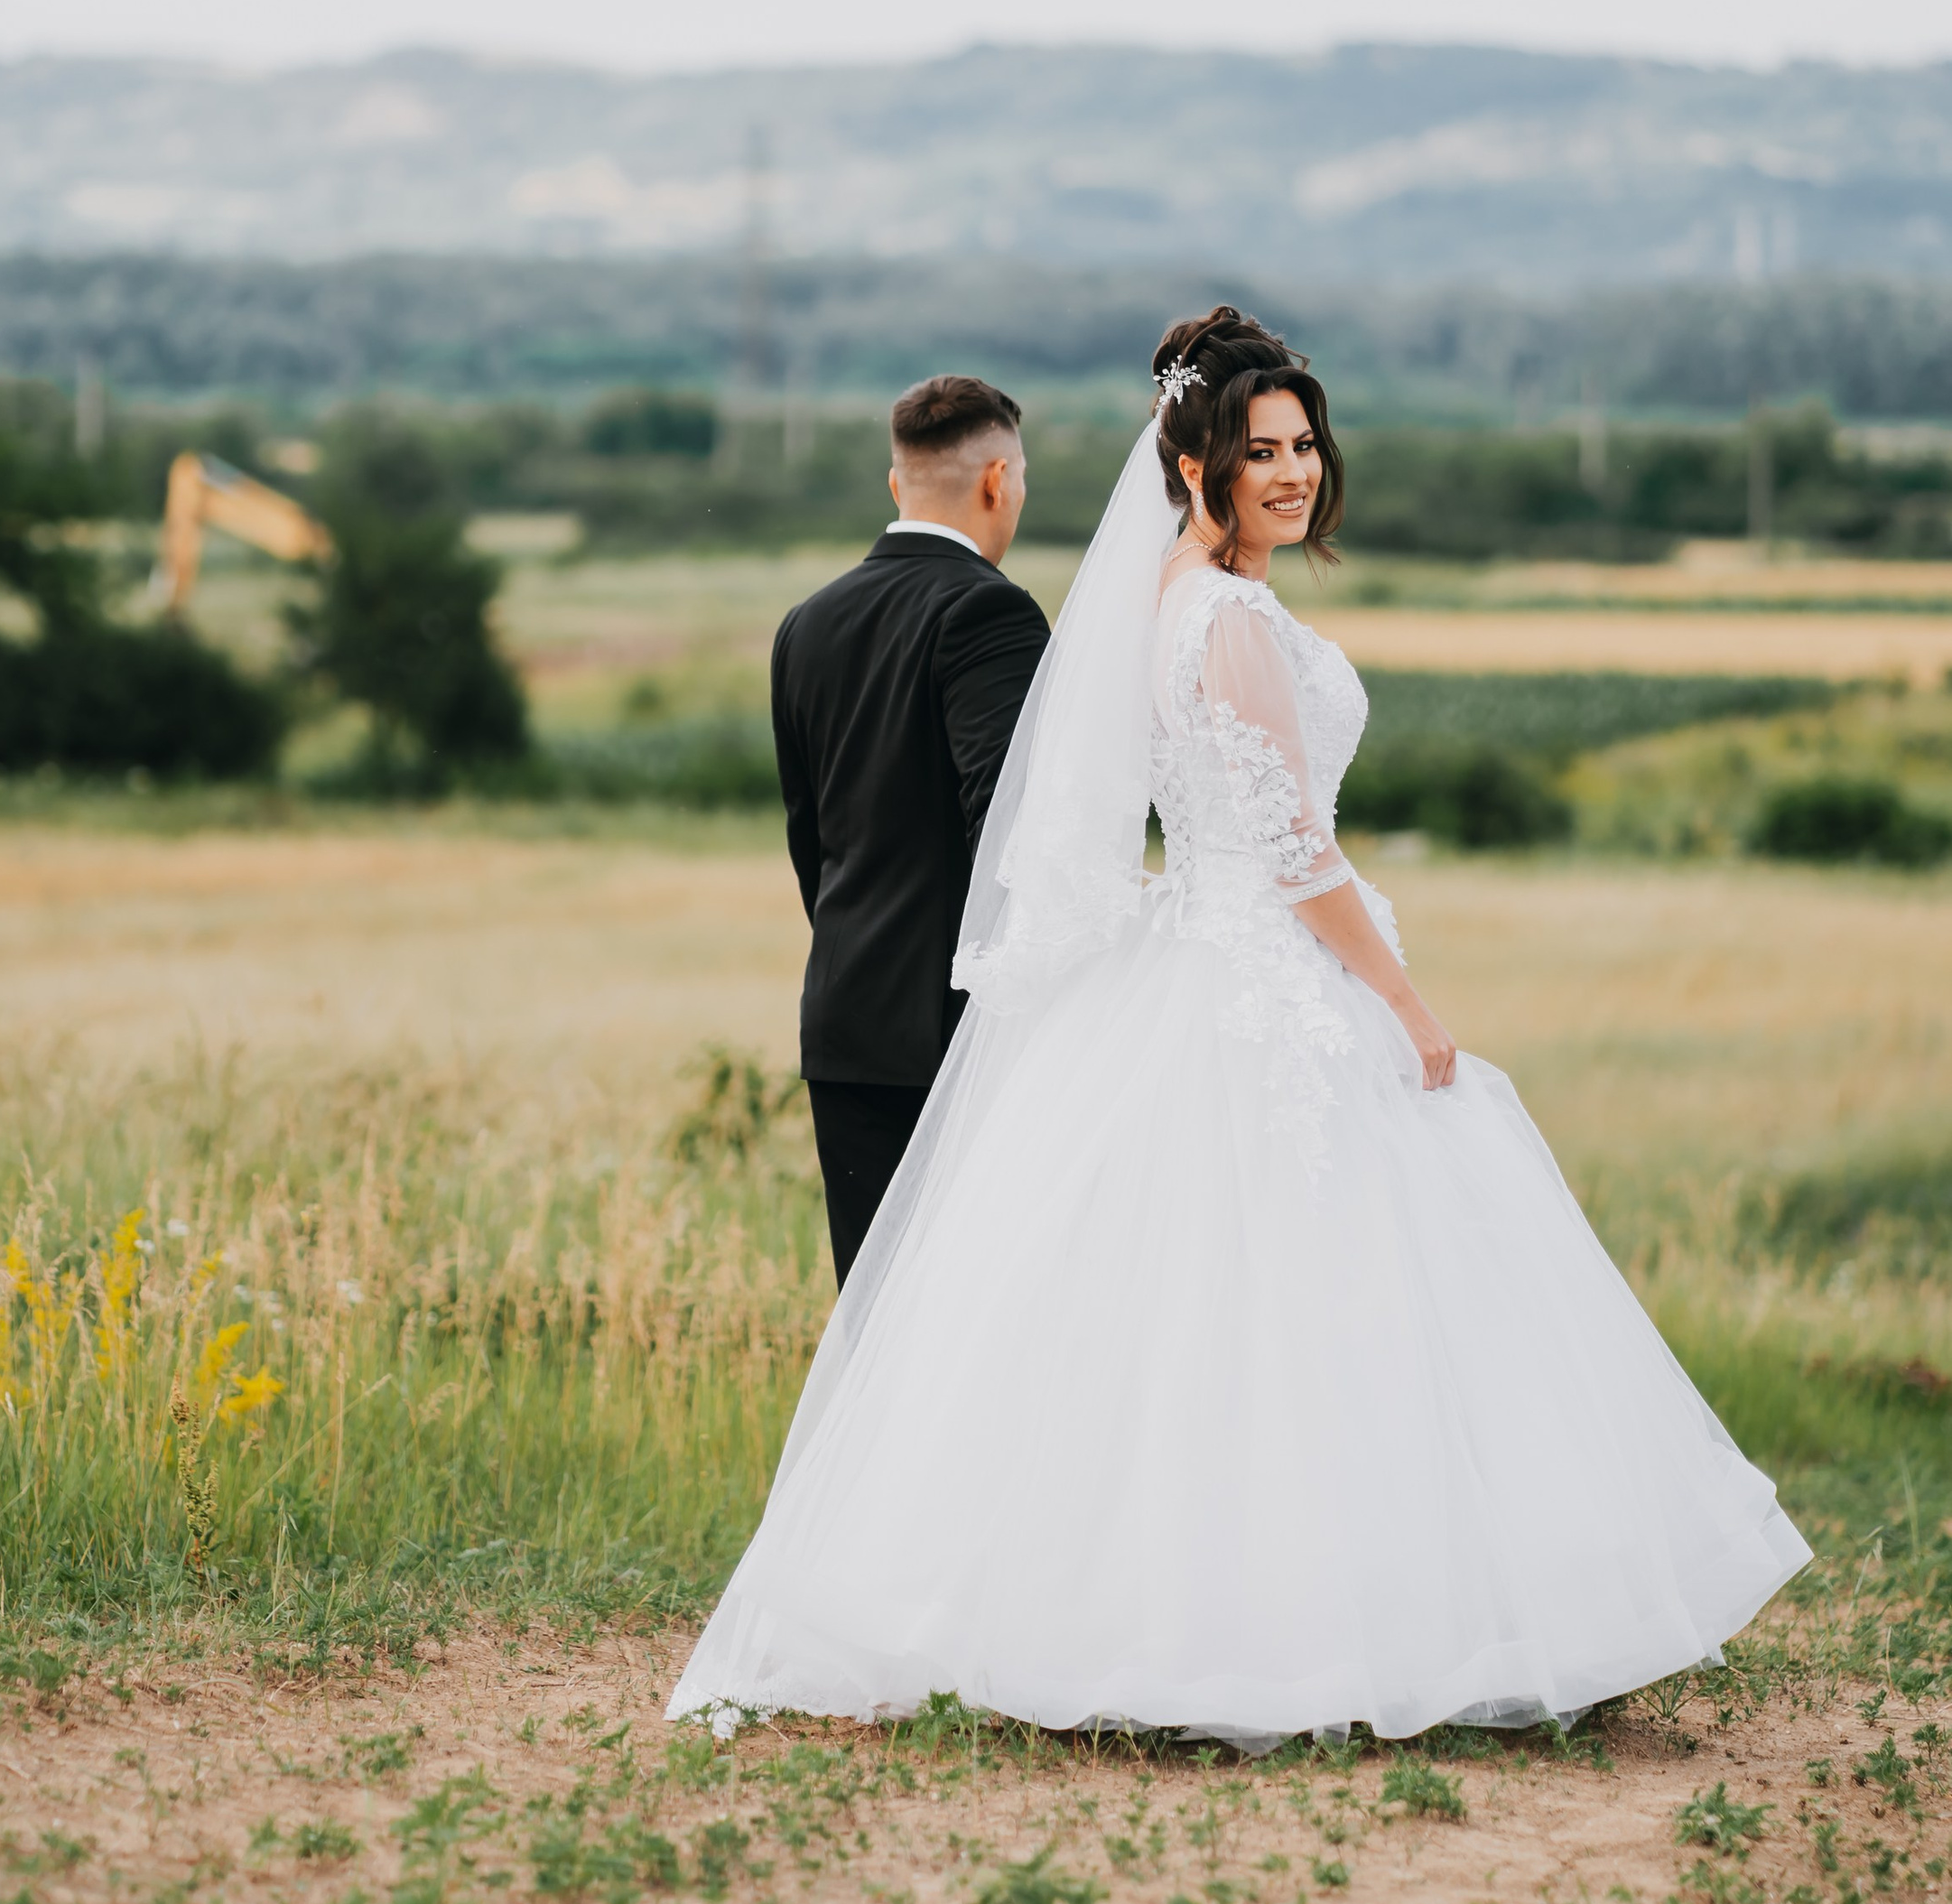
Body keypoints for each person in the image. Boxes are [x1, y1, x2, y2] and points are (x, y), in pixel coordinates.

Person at [673, 308, 1809, 1746]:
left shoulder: (1158, 603)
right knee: (1314, 1300)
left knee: (1206, 1315)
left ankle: (1174, 1612)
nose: (1294, 470)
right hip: (1269, 971)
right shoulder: (1231, 618)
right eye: (1259, 451)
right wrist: (1409, 1004)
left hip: (1198, 960)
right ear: (1194, 467)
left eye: (1303, 445)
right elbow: (1290, 849)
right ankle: (1350, 1627)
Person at [771, 374, 1052, 1286]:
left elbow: (811, 838)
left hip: (846, 1019)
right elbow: (1010, 828)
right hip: (958, 1033)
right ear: (998, 480)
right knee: (978, 1312)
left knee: (878, 1316)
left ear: (897, 484)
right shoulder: (991, 611)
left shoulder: (805, 623)